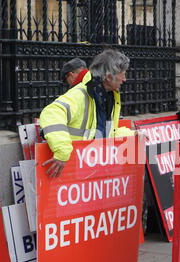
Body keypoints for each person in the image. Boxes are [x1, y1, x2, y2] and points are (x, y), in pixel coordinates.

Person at [40, 49, 135, 178]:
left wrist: (132, 135)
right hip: (73, 169)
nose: (125, 79)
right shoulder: (80, 94)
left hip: (91, 169)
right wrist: (62, 151)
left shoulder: (109, 96)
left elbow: (105, 132)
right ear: (108, 76)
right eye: (122, 74)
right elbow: (51, 113)